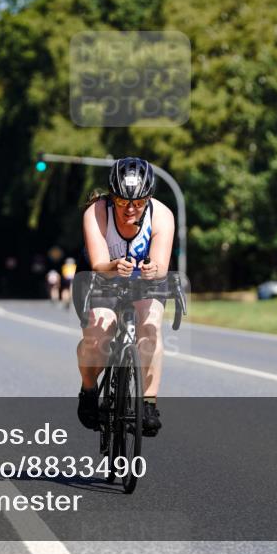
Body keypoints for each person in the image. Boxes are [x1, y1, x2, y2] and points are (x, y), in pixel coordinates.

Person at [76, 157, 174, 437]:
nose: (130, 209)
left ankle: (149, 402)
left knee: (151, 325)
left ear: (149, 197)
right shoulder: (96, 211)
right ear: (112, 196)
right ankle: (88, 388)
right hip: (101, 275)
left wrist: (152, 268)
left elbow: (161, 267)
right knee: (97, 333)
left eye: (138, 202)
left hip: (144, 280)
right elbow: (98, 264)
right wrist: (114, 266)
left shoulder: (162, 215)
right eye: (121, 202)